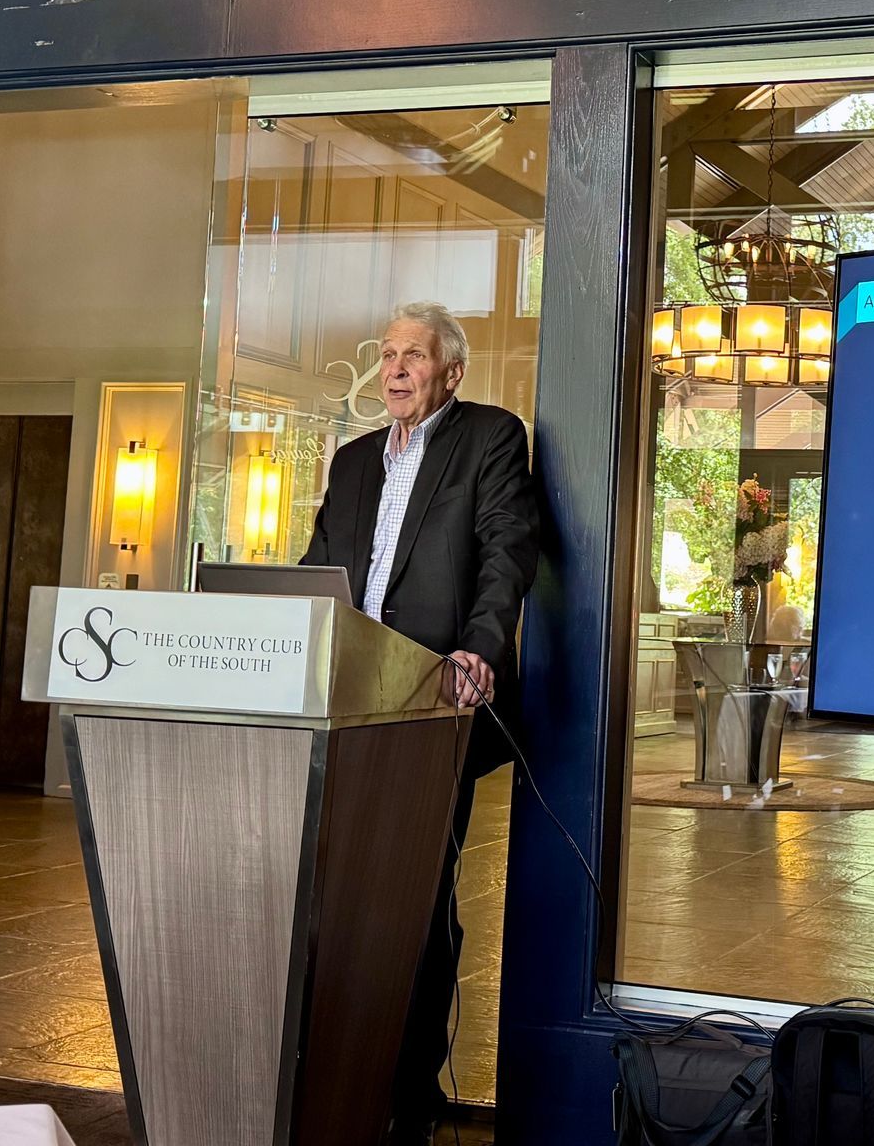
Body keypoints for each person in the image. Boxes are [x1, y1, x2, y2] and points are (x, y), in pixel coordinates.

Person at [301, 301, 539, 1144]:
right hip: (342, 701)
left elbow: (507, 550)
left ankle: (413, 1094)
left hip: (431, 700)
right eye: (388, 353)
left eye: (414, 355)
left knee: (417, 897)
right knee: (331, 896)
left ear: (451, 372)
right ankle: (335, 1075)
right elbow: (319, 567)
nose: (395, 368)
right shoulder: (357, 458)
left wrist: (479, 651)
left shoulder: (490, 438)